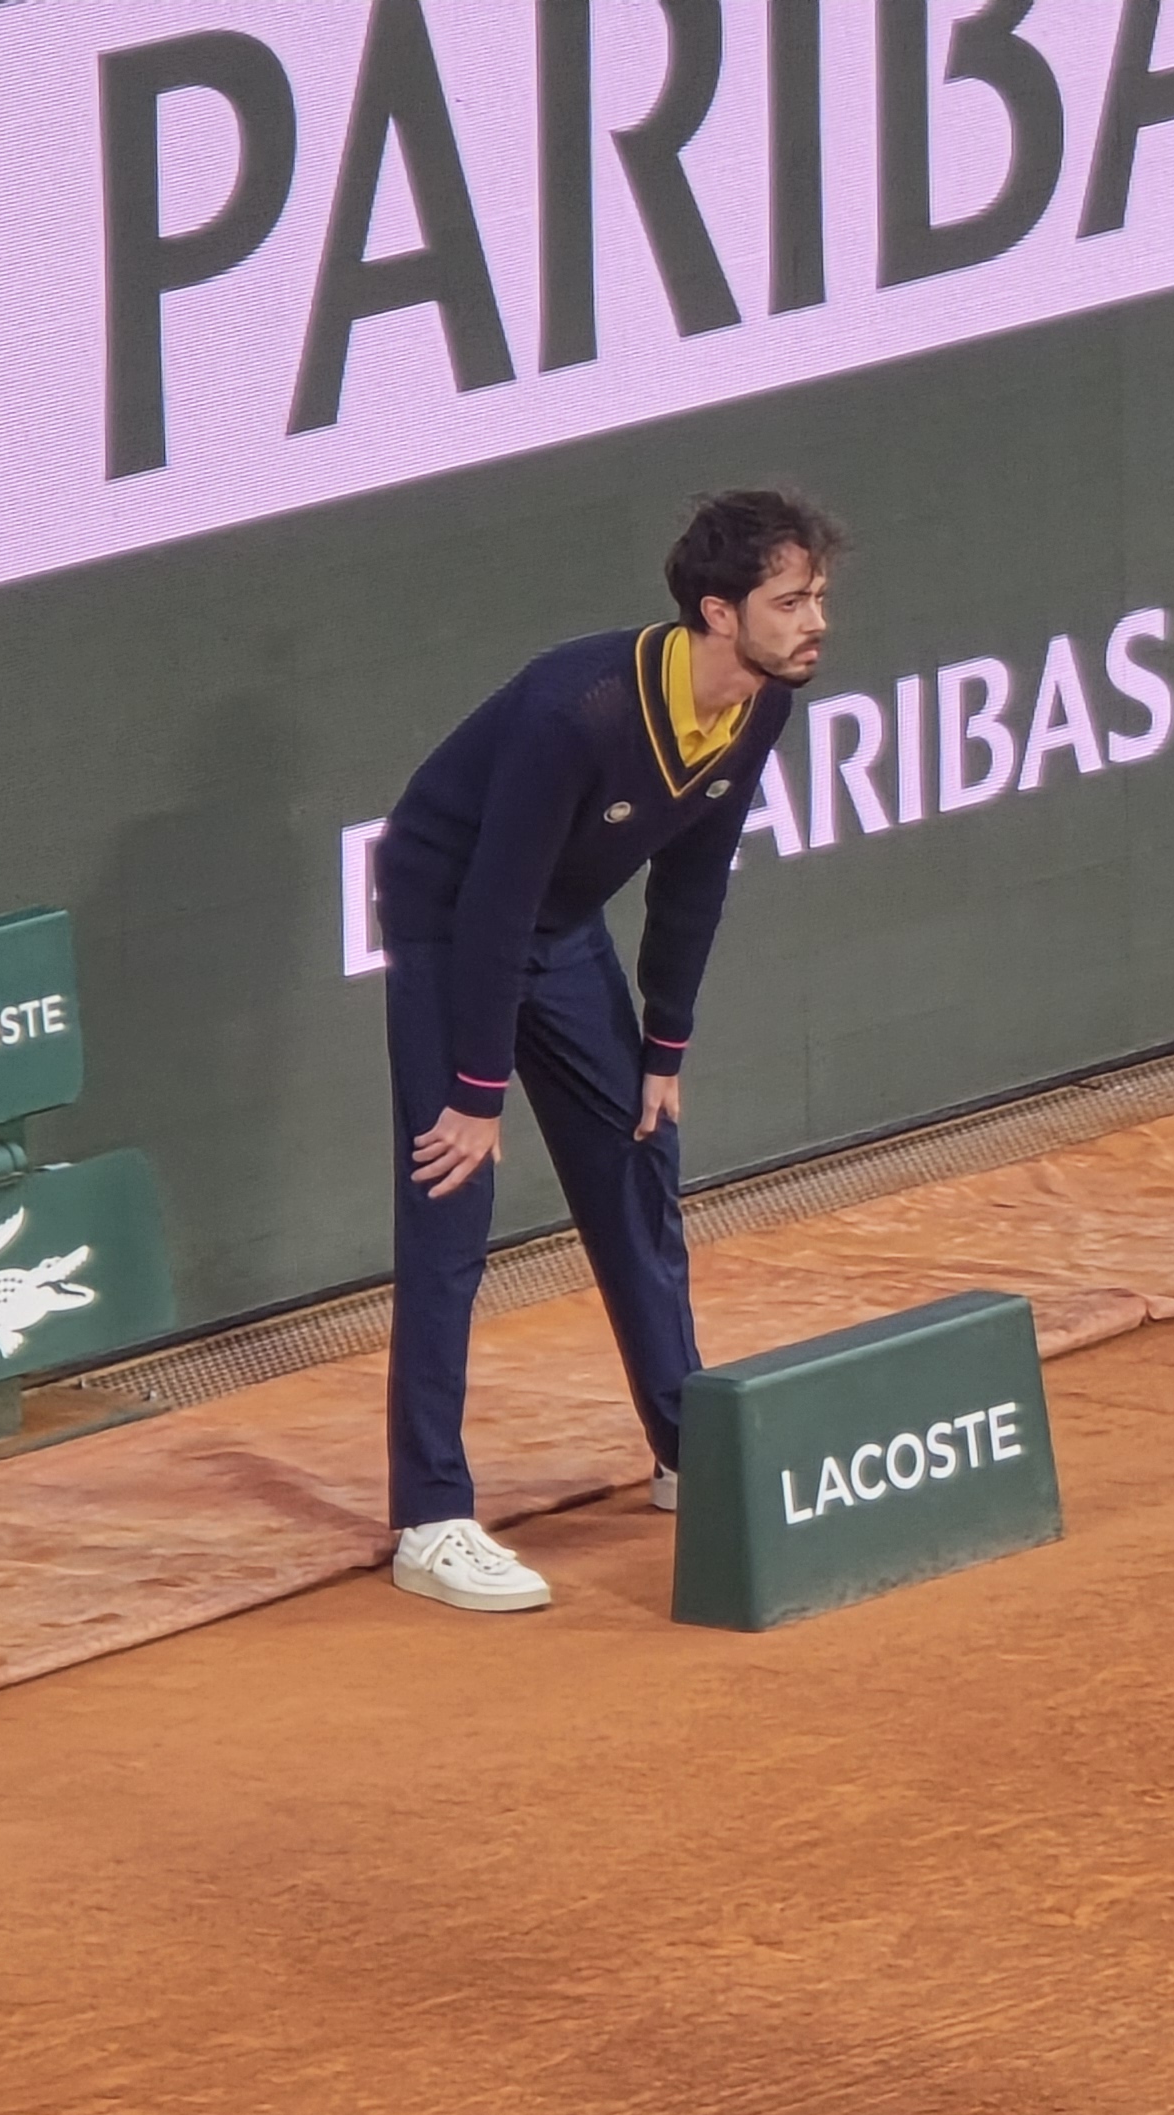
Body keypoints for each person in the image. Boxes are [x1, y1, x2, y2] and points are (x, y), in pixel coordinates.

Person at [373, 489, 839, 1611]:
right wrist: (477, 1090)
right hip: (454, 922)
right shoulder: (575, 710)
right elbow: (490, 903)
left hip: (561, 929)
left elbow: (692, 882)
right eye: (793, 600)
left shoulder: (762, 705)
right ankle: (429, 1518)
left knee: (635, 1159)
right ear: (719, 614)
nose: (817, 619)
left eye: (818, 595)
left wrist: (664, 1047)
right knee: (450, 1196)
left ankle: (688, 1446)